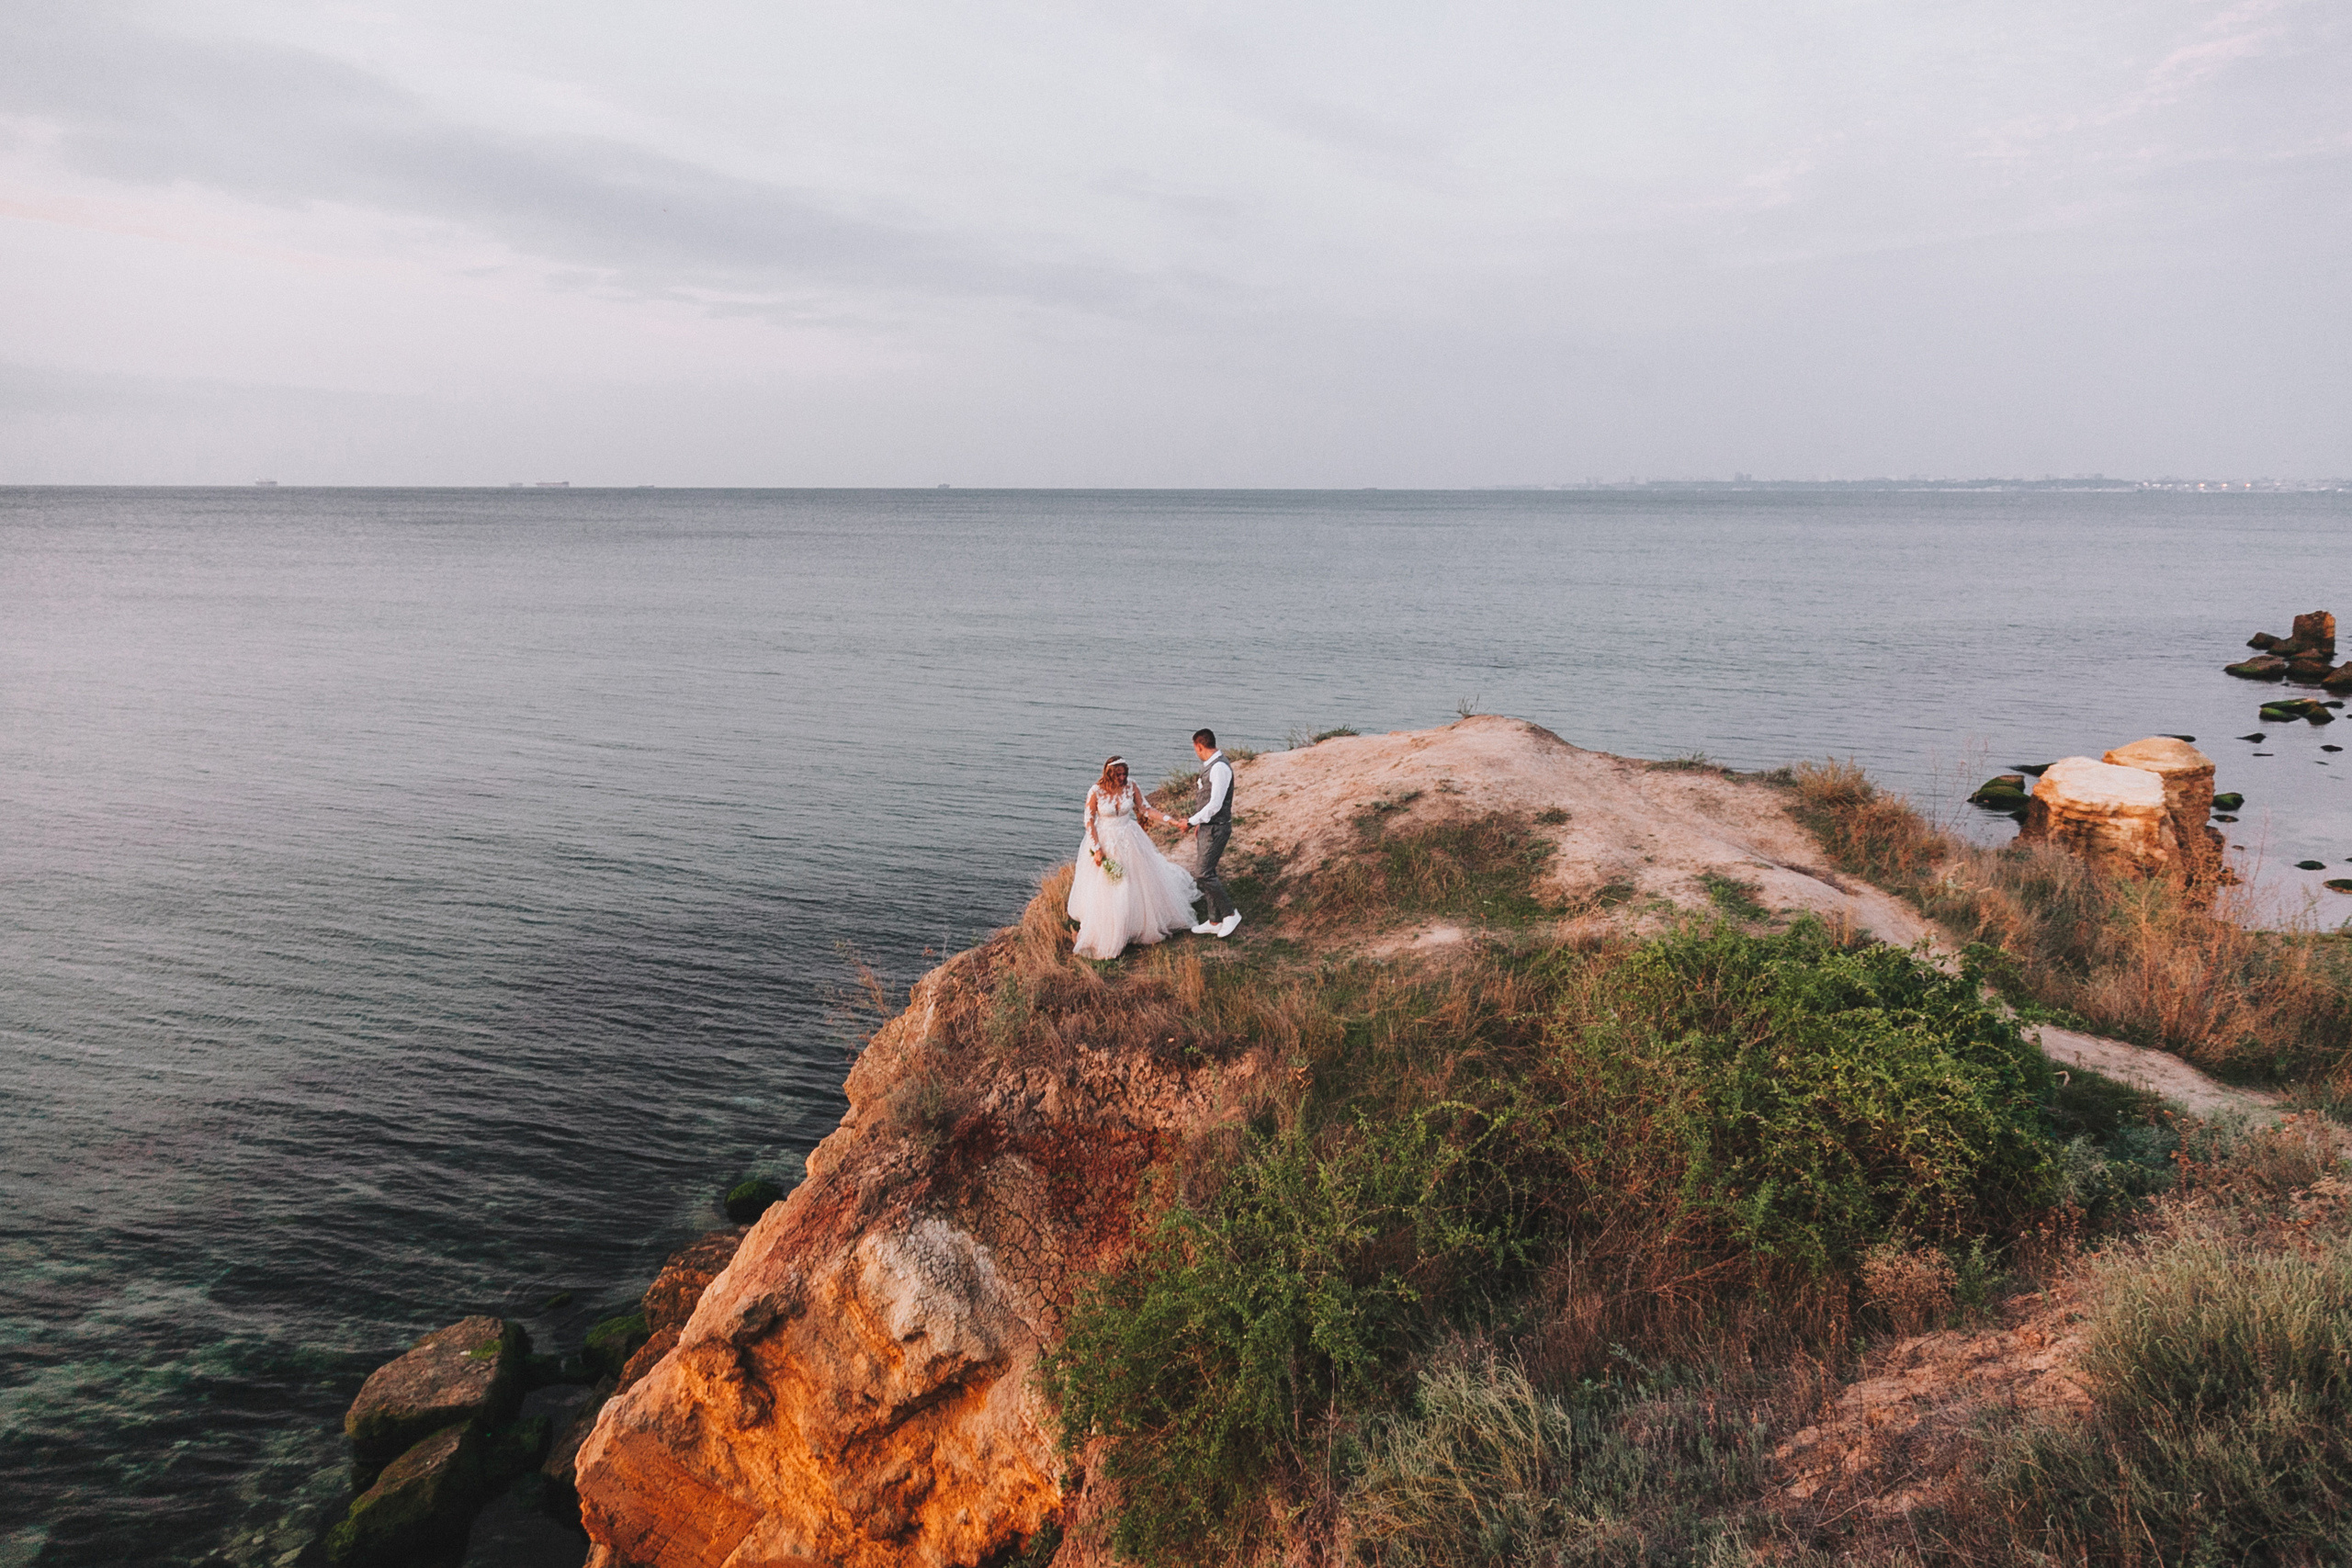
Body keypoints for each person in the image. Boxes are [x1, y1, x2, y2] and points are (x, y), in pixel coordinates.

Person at [1066, 756, 1201, 960]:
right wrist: (1097, 848)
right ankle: (1112, 927)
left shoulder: (1131, 786)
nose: (1122, 778)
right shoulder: (1096, 791)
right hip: (1106, 841)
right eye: (1118, 774)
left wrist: (1171, 821)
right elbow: (1089, 820)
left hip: (1130, 837)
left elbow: (1145, 809)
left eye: (1124, 774)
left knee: (1135, 882)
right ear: (1109, 774)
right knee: (1110, 886)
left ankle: (1135, 924)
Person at [1182, 728, 1241, 938]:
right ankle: (1214, 920)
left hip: (1217, 827)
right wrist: (1200, 822)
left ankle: (1230, 914)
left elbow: (1215, 804)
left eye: (1195, 748)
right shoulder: (1212, 766)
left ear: (1199, 746)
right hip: (1207, 826)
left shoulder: (1219, 769)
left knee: (1203, 873)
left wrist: (1191, 821)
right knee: (1207, 872)